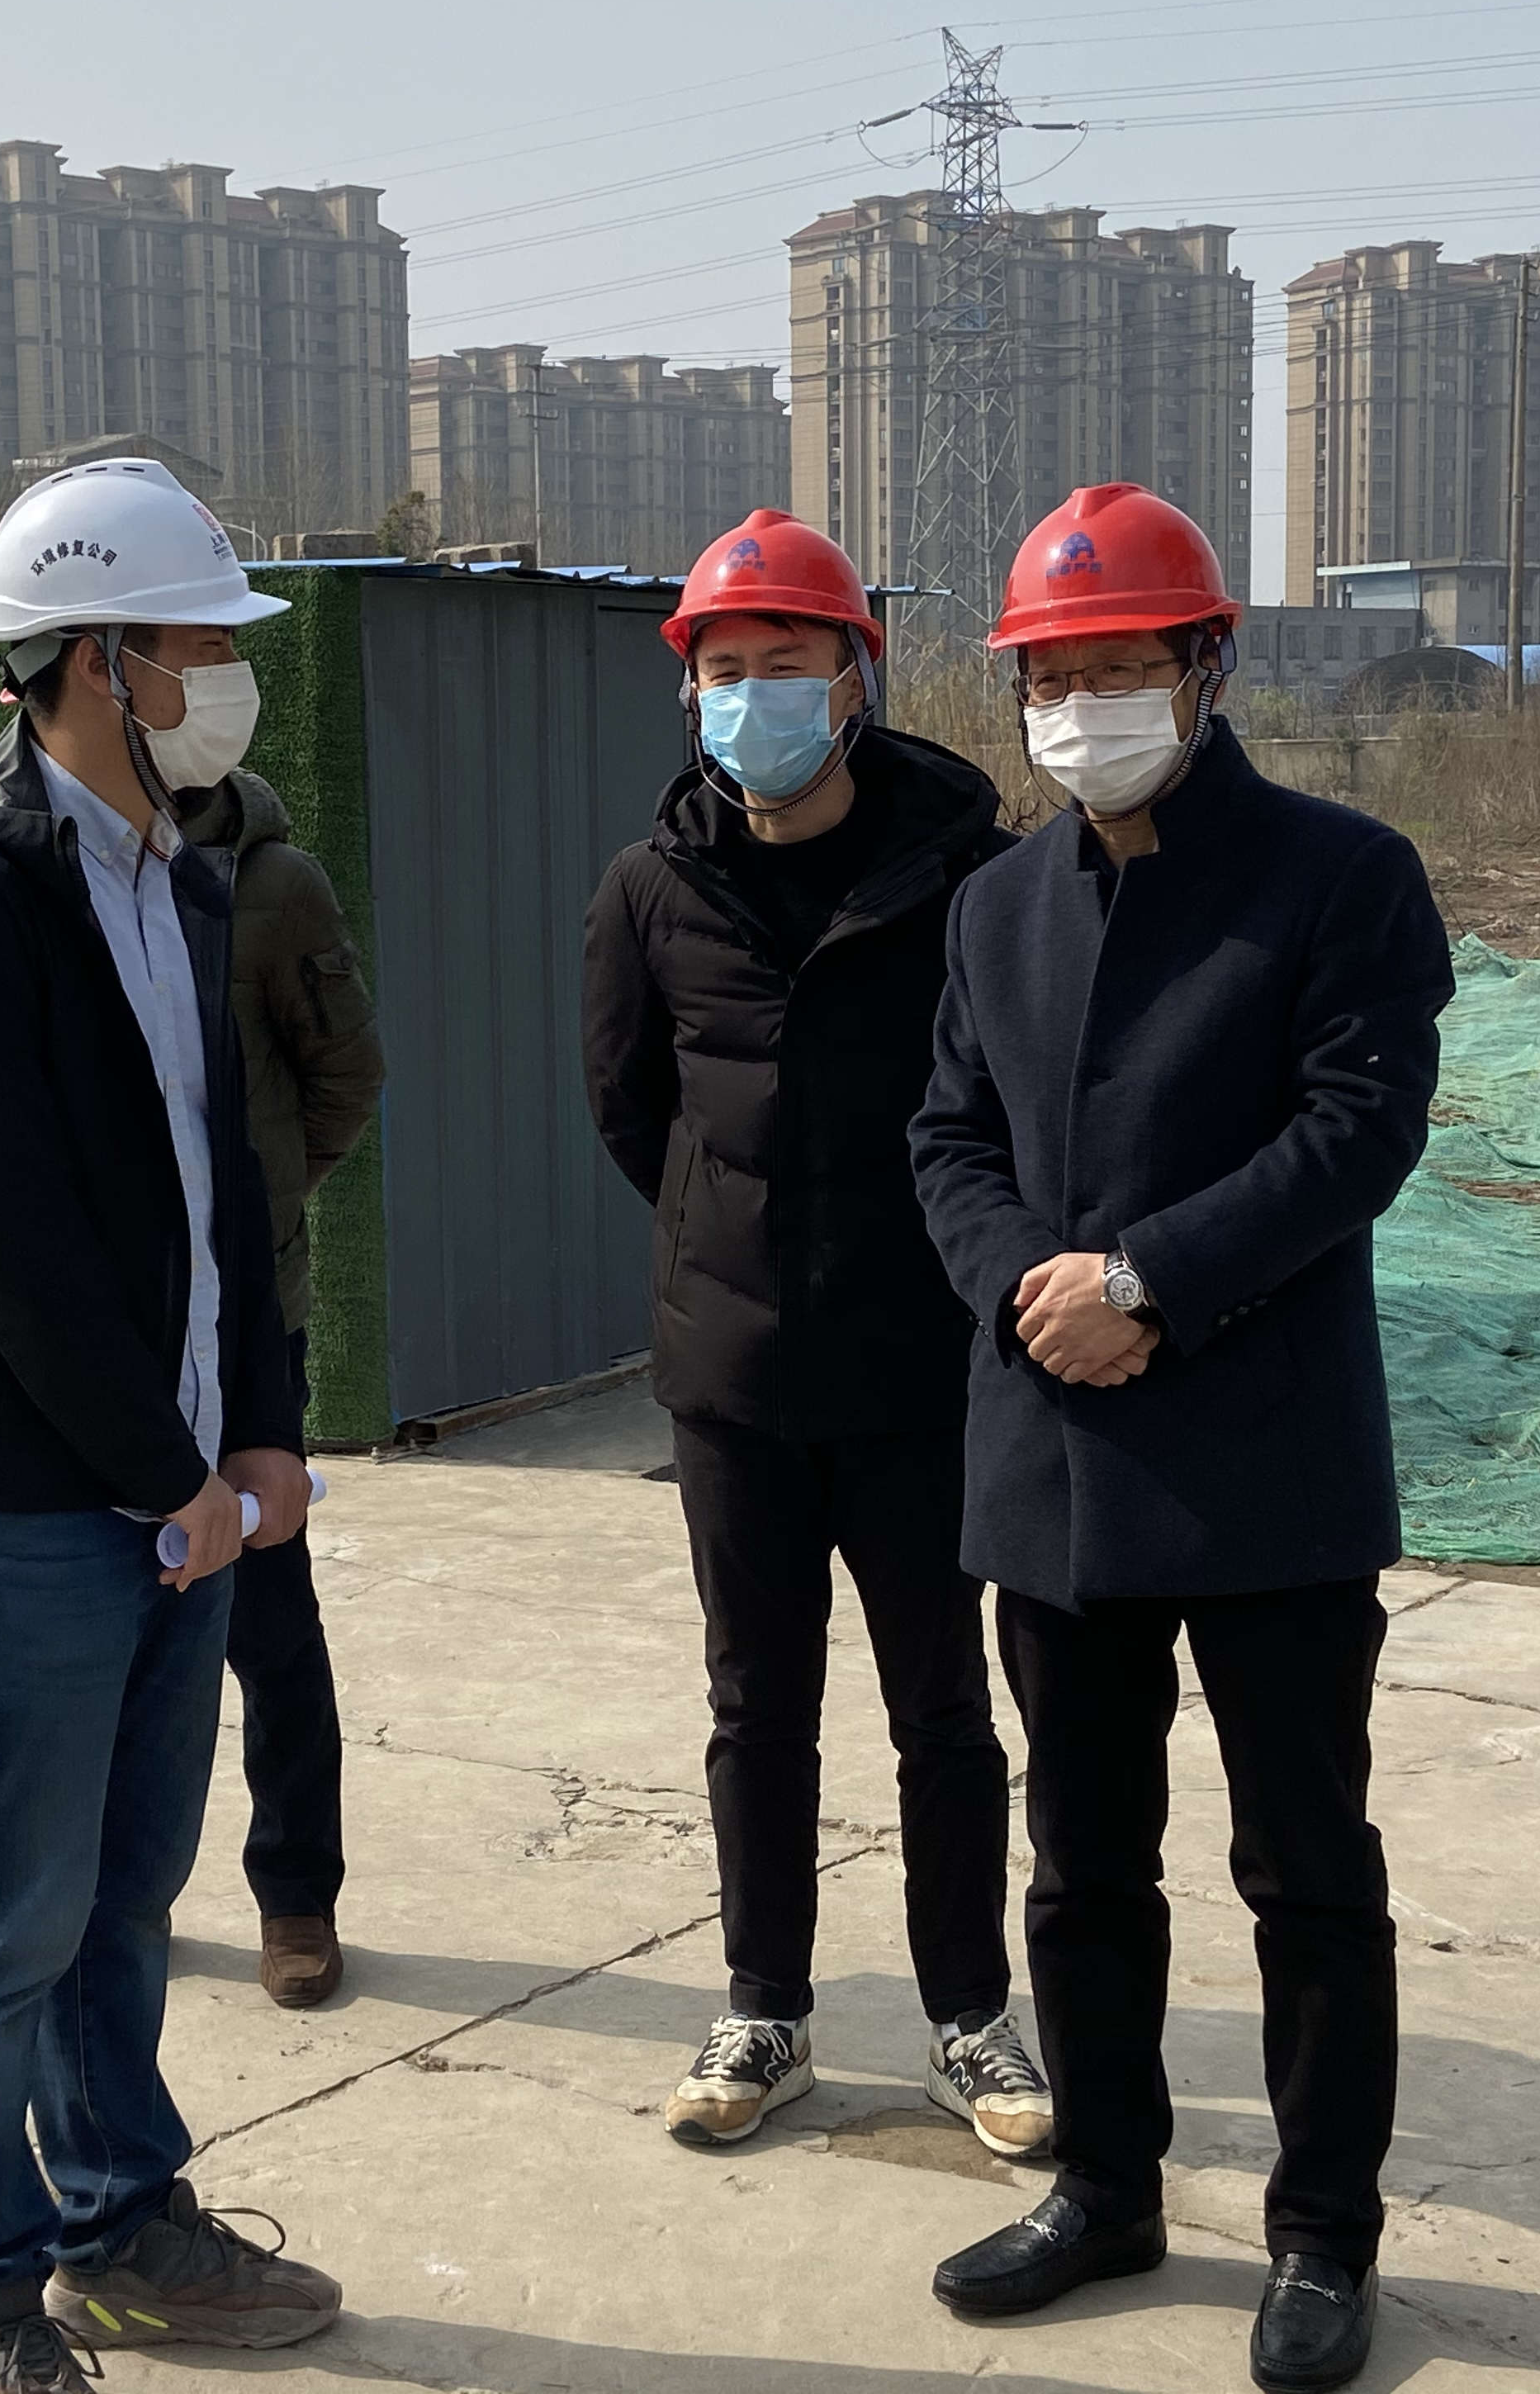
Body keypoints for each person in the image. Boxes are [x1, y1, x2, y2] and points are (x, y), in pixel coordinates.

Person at [907, 484, 1453, 2392]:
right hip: (1055, 1463)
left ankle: (1323, 2237)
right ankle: (1108, 2187)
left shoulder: (1340, 876)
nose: (1083, 707)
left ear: (1208, 666)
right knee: (1081, 1865)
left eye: (1121, 666)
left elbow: (1356, 1131)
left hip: (1268, 1467)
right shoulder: (997, 906)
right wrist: (1027, 1291)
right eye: (1052, 676)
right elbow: (948, 1138)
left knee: (1306, 1869)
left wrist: (1147, 1281)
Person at [0, 458, 340, 2394]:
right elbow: (3, 1247)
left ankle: (124, 2220)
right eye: (194, 643)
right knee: (10, 1923)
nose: (225, 678)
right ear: (89, 659)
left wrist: (265, 1435)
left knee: (128, 1899)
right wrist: (174, 1479)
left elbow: (233, 1199)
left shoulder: (186, 886)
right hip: (33, 1510)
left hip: (185, 1494)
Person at [582, 510, 1047, 2159]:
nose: (752, 695)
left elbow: (1009, 1115)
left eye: (784, 664)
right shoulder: (652, 887)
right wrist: (736, 1244)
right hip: (735, 1385)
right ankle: (763, 2008)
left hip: (921, 1379)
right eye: (723, 668)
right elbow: (631, 1112)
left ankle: (970, 2015)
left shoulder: (971, 877)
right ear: (689, 690)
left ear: (855, 679)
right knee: (756, 1707)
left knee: (943, 1712)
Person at [166, 761, 384, 2009]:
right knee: (98, 1625)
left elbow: (345, 1073)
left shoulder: (273, 885)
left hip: (248, 1327)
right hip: (96, 1332)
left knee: (267, 1616)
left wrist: (261, 1216)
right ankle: (111, 1890)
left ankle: (295, 1894)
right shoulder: (15, 860)